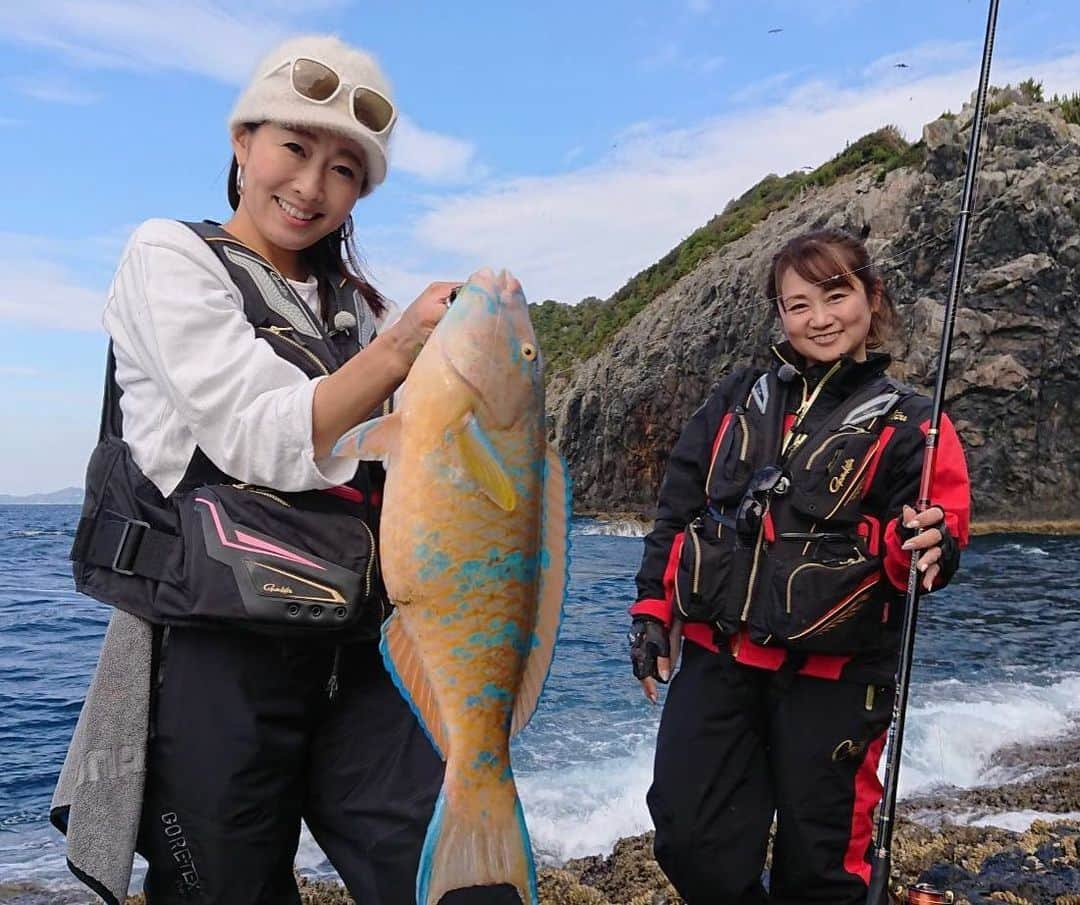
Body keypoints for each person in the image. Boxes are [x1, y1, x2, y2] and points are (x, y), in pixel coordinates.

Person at [57, 34, 517, 905]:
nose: (311, 186)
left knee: (466, 889)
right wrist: (403, 351)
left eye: (345, 170)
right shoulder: (169, 257)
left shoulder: (362, 307)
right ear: (243, 143)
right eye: (295, 148)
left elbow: (431, 478)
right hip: (219, 660)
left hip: (364, 655)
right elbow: (254, 431)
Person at [627, 228, 971, 905]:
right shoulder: (733, 399)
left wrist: (929, 544)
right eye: (798, 303)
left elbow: (935, 541)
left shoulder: (915, 425)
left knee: (821, 872)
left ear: (871, 298)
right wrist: (650, 610)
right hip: (717, 661)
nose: (819, 318)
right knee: (688, 837)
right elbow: (677, 509)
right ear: (778, 314)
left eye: (836, 295)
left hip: (837, 683)